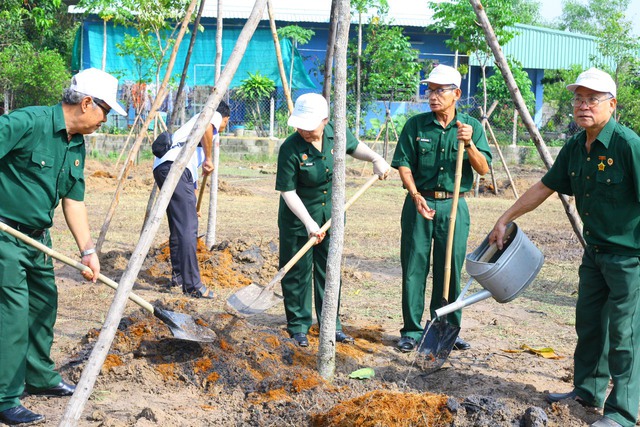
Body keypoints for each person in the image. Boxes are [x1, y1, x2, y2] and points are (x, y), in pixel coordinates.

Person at [489, 68, 640, 427]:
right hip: (596, 254)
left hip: (629, 258)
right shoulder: (576, 146)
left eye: (592, 99)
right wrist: (505, 217)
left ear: (612, 105)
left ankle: (621, 413)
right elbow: (546, 187)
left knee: (624, 333)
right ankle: (587, 390)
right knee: (589, 324)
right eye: (578, 98)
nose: (583, 106)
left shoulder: (628, 145)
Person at [0, 68, 126, 426]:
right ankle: (5, 398)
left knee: (44, 304)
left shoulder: (75, 144)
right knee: (11, 313)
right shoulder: (28, 122)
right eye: (105, 110)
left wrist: (88, 250)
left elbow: (73, 201)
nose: (107, 119)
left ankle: (39, 376)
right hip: (5, 235)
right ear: (87, 103)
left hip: (38, 239)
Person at [276, 93, 390, 347]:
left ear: (325, 120)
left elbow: (354, 146)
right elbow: (288, 191)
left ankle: (331, 324)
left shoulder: (335, 134)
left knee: (329, 271)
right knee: (297, 272)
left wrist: (376, 158)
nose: (303, 130)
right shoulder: (290, 148)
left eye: (309, 125)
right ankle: (298, 326)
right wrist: (308, 222)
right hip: (299, 218)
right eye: (299, 125)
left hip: (331, 216)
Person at [391, 64, 491, 353]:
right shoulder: (416, 125)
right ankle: (411, 330)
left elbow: (483, 169)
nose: (432, 95)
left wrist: (469, 143)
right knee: (414, 267)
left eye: (439, 90)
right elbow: (404, 163)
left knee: (450, 268)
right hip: (419, 203)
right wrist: (413, 194)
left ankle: (445, 328)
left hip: (454, 205)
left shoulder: (470, 127)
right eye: (430, 90)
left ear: (456, 93)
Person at [153, 101, 230, 299]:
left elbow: (191, 180)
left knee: (181, 225)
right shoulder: (211, 115)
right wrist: (208, 158)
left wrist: (192, 205)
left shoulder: (190, 130)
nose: (223, 127)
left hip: (166, 167)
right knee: (187, 228)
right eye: (225, 123)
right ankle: (193, 285)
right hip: (174, 166)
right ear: (225, 118)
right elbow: (208, 127)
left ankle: (179, 278)